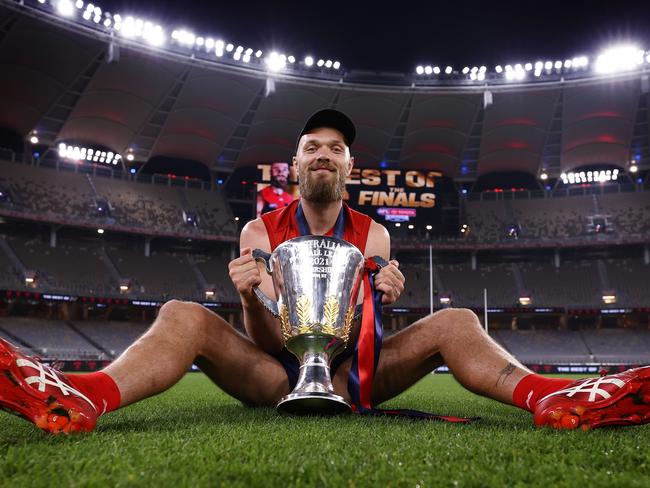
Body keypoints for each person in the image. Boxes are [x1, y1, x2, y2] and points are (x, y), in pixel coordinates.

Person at [0, 109, 648, 434]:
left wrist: (387, 295)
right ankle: (88, 394)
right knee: (181, 315)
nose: (323, 155)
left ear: (348, 169)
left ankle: (553, 394)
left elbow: (363, 329)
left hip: (354, 370)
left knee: (455, 319)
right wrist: (251, 299)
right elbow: (265, 340)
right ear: (295, 164)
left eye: (336, 150)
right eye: (313, 147)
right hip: (278, 369)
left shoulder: (377, 232)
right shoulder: (260, 230)